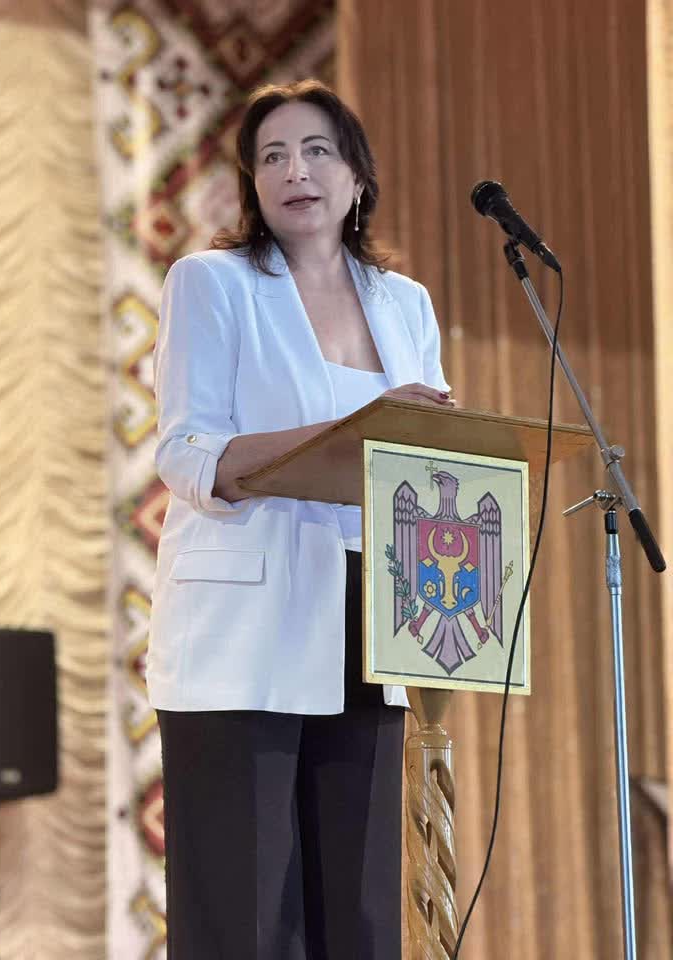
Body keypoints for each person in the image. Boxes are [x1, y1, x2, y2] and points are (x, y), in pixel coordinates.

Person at [149, 79, 453, 960]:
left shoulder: (405, 303)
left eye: (318, 151)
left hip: (374, 625)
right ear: (252, 182)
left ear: (358, 175)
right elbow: (189, 452)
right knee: (247, 923)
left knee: (359, 920)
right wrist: (362, 427)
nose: (296, 172)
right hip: (241, 638)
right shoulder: (212, 284)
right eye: (272, 156)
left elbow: (431, 458)